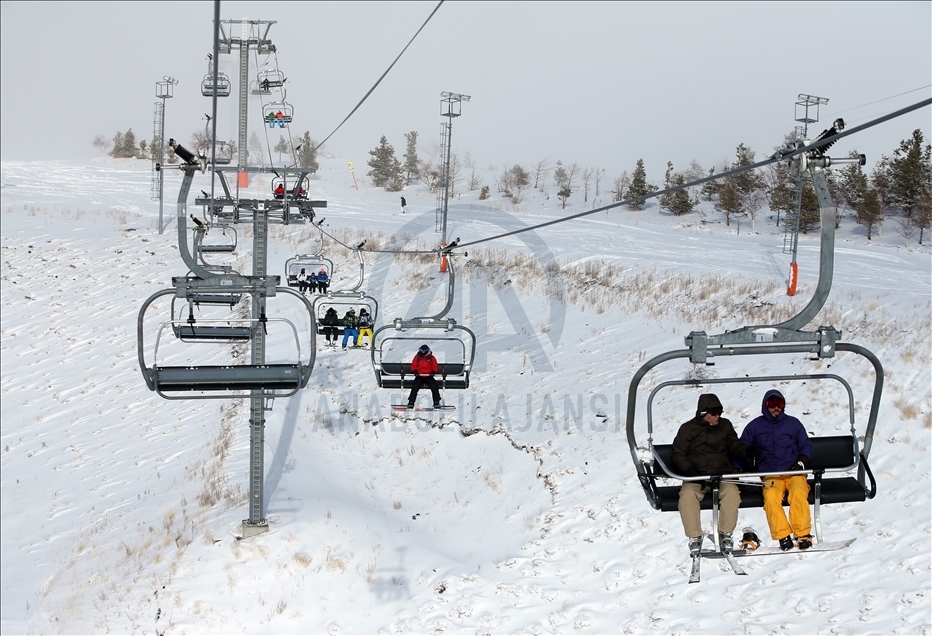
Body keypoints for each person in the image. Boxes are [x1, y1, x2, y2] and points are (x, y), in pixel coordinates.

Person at [671, 393, 752, 556]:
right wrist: (690, 470)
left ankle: (725, 533)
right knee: (687, 496)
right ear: (703, 413)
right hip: (697, 477)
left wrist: (746, 450)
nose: (718, 417)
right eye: (714, 414)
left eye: (719, 413)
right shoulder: (688, 429)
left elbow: (733, 444)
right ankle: (694, 536)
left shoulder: (725, 426)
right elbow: (677, 453)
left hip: (721, 474)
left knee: (731, 494)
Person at [740, 389, 814, 551]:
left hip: (793, 471)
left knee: (799, 493)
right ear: (765, 405)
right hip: (770, 473)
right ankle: (783, 535)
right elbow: (741, 447)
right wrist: (743, 458)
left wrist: (802, 462)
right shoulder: (755, 426)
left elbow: (806, 446)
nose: (776, 408)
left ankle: (802, 534)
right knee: (771, 498)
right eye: (772, 404)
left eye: (779, 404)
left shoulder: (793, 424)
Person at [406, 344, 442, 409]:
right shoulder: (417, 357)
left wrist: (433, 372)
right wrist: (414, 371)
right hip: (420, 375)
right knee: (415, 387)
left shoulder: (431, 358)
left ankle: (436, 402)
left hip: (428, 376)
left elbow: (435, 366)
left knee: (434, 386)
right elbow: (413, 365)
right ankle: (411, 402)